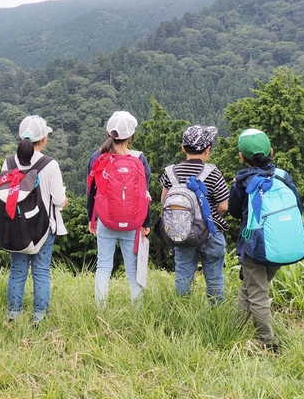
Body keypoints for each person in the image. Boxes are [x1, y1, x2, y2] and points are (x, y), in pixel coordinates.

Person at [229, 128, 301, 353]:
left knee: (257, 291)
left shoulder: (242, 181)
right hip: (282, 241)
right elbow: (298, 204)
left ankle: (268, 342)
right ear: (271, 151)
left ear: (242, 157)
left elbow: (233, 211)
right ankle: (234, 327)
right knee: (252, 285)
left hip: (254, 243)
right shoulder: (283, 175)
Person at [5, 115, 68, 324]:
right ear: (43, 139)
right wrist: (65, 201)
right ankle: (39, 317)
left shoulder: (9, 162)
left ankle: (13, 314)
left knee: (17, 271)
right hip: (43, 227)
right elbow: (59, 200)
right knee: (41, 272)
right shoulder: (50, 164)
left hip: (16, 227)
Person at [158, 125, 230, 304]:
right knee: (214, 277)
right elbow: (224, 206)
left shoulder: (171, 172)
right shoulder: (213, 173)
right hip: (210, 232)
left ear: (183, 148)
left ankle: (183, 311)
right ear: (208, 150)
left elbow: (163, 202)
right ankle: (217, 313)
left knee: (183, 275)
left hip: (182, 232)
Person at [86, 111, 151, 306]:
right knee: (132, 268)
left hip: (106, 220)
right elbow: (144, 194)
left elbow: (91, 191)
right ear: (131, 136)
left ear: (108, 132)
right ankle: (137, 309)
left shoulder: (97, 157)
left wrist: (92, 218)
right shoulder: (139, 158)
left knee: (104, 265)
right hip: (132, 222)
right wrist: (145, 223)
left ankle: (101, 308)